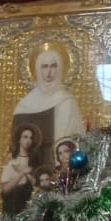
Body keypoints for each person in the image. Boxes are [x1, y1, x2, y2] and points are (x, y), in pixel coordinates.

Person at [11, 45, 85, 173]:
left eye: (53, 66)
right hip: (30, 169)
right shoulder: (24, 104)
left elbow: (76, 140)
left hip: (62, 169)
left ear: (60, 68)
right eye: (44, 66)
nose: (49, 72)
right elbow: (15, 145)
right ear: (37, 69)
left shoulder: (67, 101)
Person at [0, 123, 40, 216]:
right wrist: (22, 173)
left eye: (31, 138)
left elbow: (37, 185)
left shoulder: (34, 160)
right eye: (25, 137)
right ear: (19, 139)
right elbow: (5, 190)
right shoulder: (11, 161)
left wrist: (27, 174)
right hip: (13, 207)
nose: (28, 140)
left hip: (29, 207)